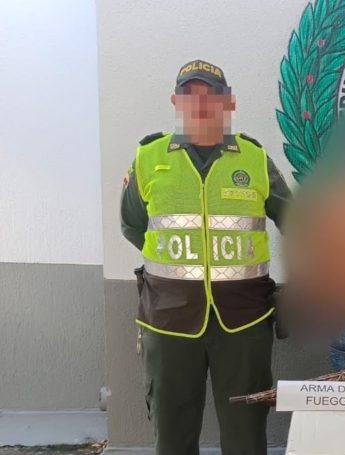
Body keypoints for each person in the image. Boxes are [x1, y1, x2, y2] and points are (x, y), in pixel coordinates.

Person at [120, 59, 291, 454]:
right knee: (172, 436)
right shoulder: (148, 158)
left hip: (244, 322)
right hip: (169, 321)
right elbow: (132, 226)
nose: (200, 105)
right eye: (189, 95)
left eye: (211, 95)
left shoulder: (254, 159)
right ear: (175, 102)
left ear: (229, 103)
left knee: (246, 435)